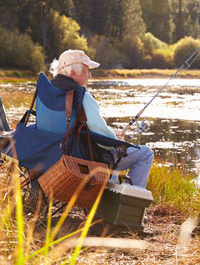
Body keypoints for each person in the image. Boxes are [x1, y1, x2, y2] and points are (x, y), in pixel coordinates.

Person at [49, 49, 154, 188]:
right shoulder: (82, 96)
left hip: (52, 154)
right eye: (86, 71)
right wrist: (116, 139)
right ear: (73, 73)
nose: (90, 76)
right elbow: (105, 141)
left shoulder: (48, 92)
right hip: (82, 158)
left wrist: (110, 132)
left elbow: (76, 128)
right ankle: (129, 204)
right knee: (145, 153)